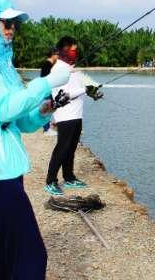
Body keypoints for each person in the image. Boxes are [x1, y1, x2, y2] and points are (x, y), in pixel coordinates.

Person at [0, 0, 70, 279]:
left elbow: (21, 123)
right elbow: (4, 108)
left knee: (5, 253)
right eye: (5, 22)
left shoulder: (2, 66)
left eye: (14, 23)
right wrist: (47, 81)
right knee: (31, 255)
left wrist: (43, 111)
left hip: (6, 172)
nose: (11, 28)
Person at [44, 36, 103, 196]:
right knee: (62, 148)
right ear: (64, 50)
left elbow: (78, 87)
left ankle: (69, 177)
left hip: (77, 115)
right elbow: (63, 94)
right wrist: (86, 89)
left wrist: (92, 92)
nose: (75, 53)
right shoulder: (58, 69)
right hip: (65, 116)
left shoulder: (72, 69)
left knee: (71, 148)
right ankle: (50, 181)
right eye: (73, 50)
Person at [40, 47, 59, 135]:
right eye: (57, 54)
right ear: (53, 55)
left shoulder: (48, 64)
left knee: (50, 108)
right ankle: (46, 130)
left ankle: (48, 126)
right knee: (48, 109)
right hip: (47, 90)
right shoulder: (48, 65)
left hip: (47, 90)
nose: (58, 56)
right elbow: (48, 79)